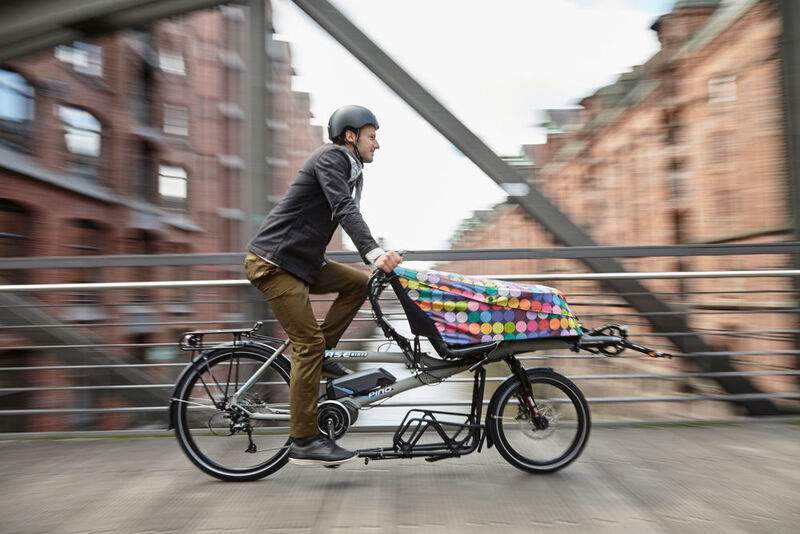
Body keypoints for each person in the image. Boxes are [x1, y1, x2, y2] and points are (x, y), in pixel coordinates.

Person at [244, 105, 402, 466]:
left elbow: (345, 209)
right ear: (351, 135)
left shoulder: (352, 169)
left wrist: (372, 260)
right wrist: (375, 252)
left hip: (302, 263)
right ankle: (303, 438)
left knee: (358, 286)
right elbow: (345, 209)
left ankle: (325, 356)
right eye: (372, 136)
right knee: (307, 344)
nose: (377, 144)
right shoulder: (333, 158)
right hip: (275, 264)